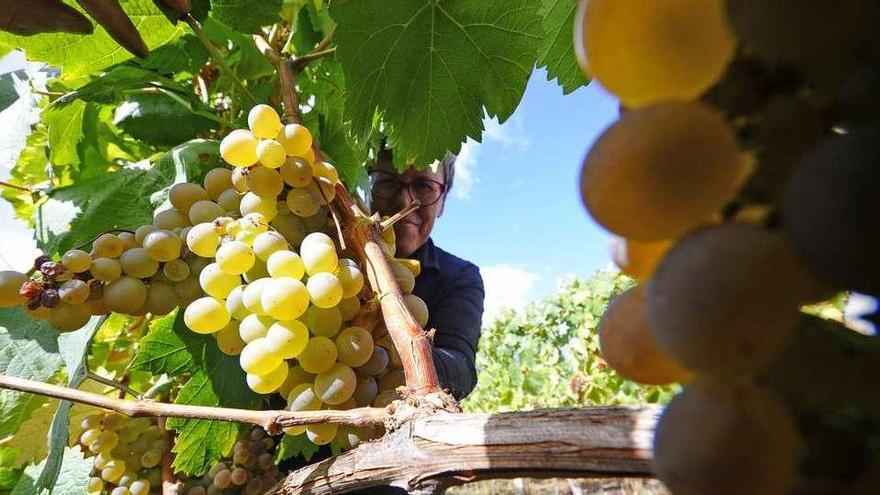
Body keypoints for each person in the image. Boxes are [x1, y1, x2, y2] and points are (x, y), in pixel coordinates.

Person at [369, 146, 485, 400]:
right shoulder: (330, 255)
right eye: (388, 181)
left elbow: (461, 370)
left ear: (442, 202)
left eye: (423, 186)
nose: (404, 201)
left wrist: (382, 345)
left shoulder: (459, 276)